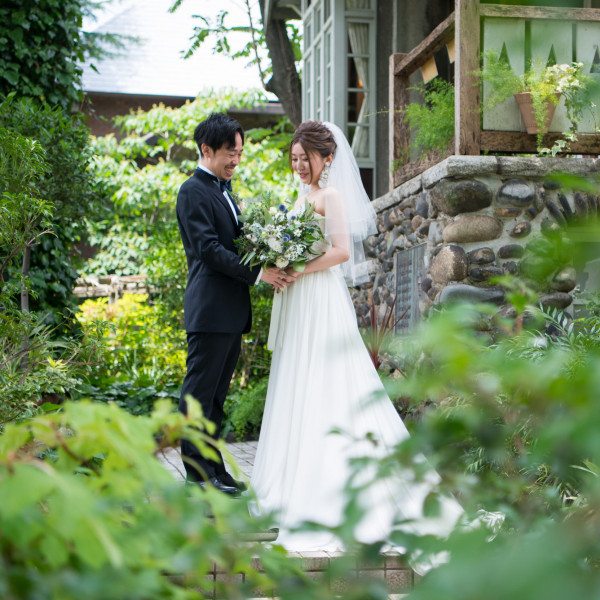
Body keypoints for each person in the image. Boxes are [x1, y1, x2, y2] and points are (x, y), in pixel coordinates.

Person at [249, 121, 462, 569]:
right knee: (299, 382)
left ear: (327, 159)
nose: (299, 165)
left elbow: (342, 251)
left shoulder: (332, 198)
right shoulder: (300, 198)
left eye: (305, 158)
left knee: (327, 381)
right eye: (294, 158)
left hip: (321, 297)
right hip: (300, 299)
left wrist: (297, 267)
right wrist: (279, 266)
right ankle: (294, 484)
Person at [176, 112, 295, 496]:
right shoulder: (192, 191)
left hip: (228, 313)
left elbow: (237, 244)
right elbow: (208, 250)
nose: (236, 160)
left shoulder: (224, 191)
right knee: (198, 397)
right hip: (210, 310)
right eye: (230, 152)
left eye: (240, 153)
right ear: (206, 149)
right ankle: (197, 473)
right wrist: (260, 274)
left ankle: (215, 468)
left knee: (215, 400)